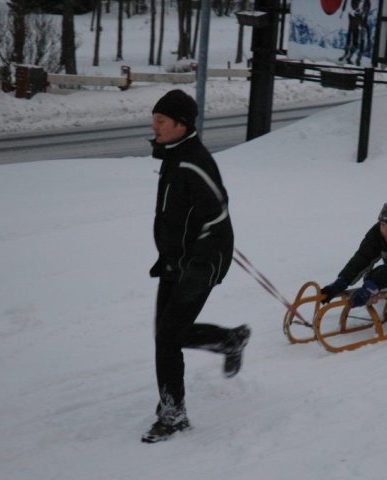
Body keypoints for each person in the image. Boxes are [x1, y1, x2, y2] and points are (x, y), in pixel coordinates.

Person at [142, 89, 250, 444]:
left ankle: (173, 414)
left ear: (180, 124)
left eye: (160, 121)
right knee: (168, 334)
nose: (154, 126)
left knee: (169, 337)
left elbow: (217, 209)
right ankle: (228, 339)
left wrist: (198, 258)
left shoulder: (192, 161)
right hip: (179, 261)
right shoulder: (175, 155)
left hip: (202, 263)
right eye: (154, 120)